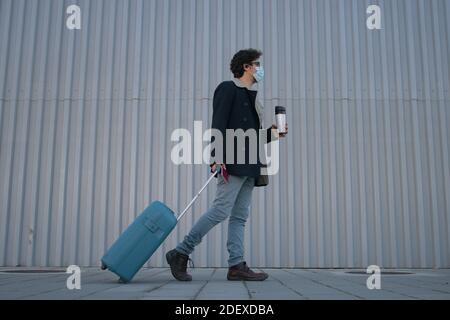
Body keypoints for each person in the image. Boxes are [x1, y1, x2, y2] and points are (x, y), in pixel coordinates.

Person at [166, 48, 288, 281]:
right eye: (257, 64)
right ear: (246, 67)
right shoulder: (228, 89)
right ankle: (180, 252)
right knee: (220, 210)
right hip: (231, 161)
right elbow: (219, 123)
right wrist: (216, 156)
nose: (260, 69)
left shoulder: (253, 96)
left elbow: (250, 135)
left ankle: (236, 265)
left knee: (240, 216)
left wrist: (273, 134)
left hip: (251, 164)